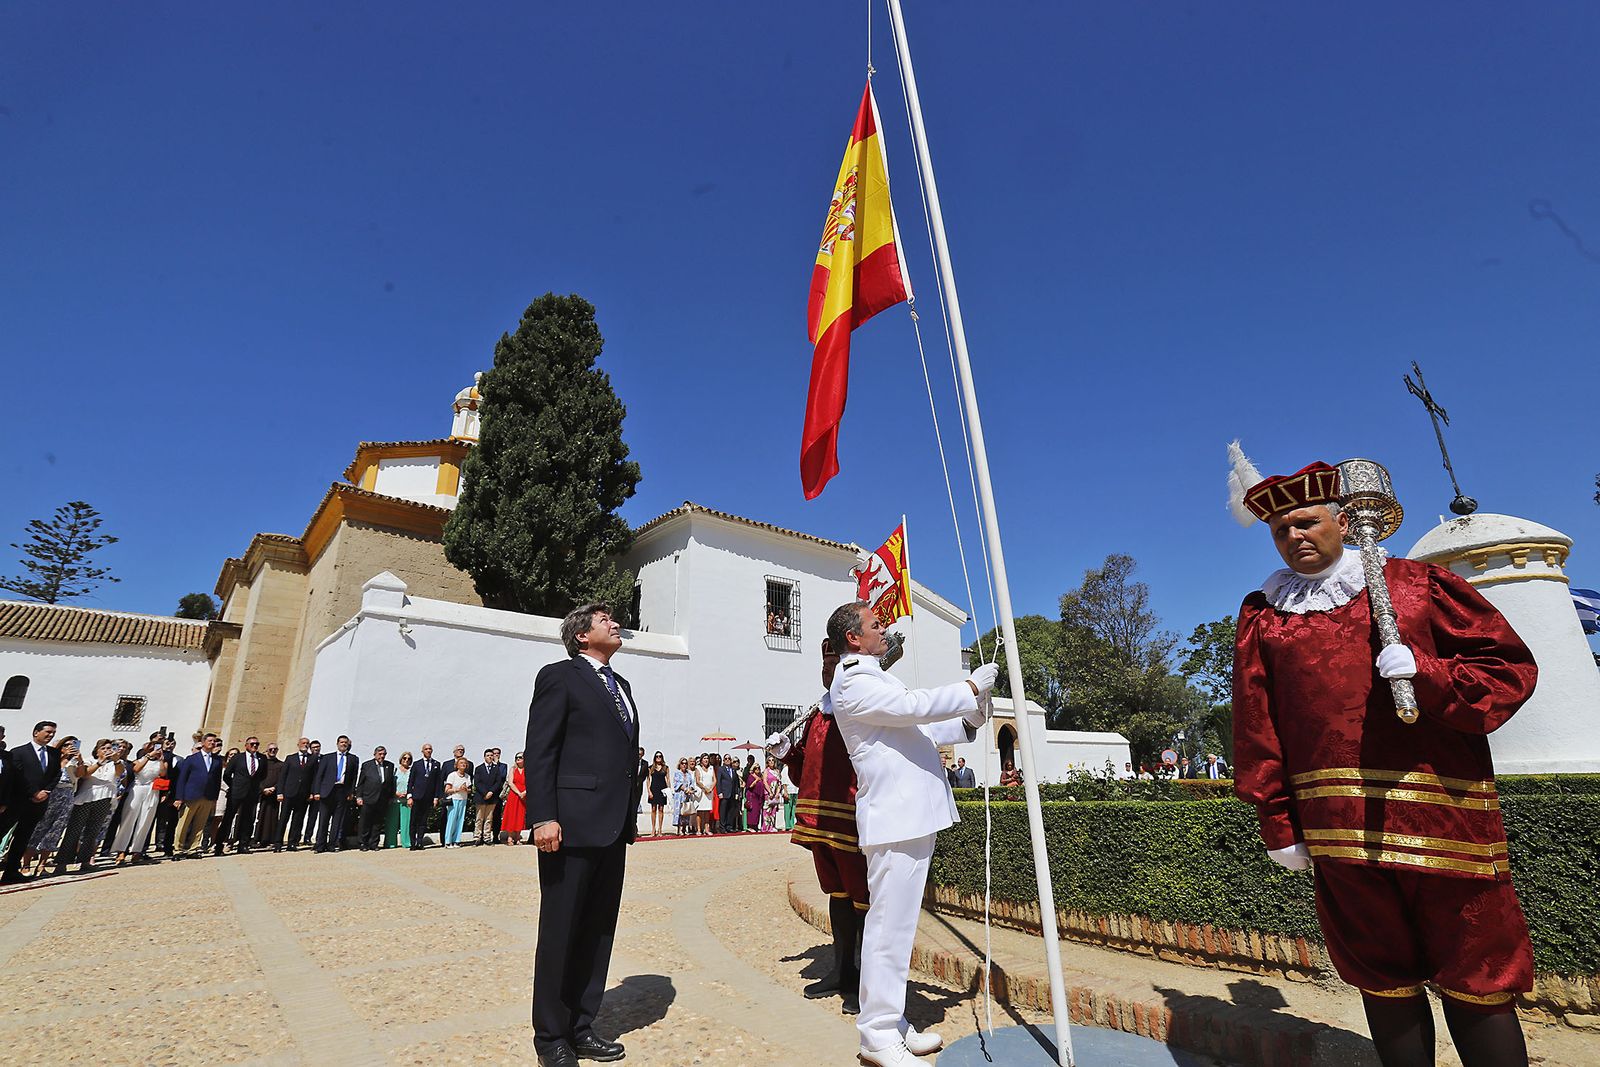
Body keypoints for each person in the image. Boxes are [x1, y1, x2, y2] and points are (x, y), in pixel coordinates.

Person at [1228, 450, 1540, 1067]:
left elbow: (1507, 670)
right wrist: (1279, 821)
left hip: (1443, 818)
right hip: (1338, 831)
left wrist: (1426, 673)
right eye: (1280, 529)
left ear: (1344, 520)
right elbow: (1255, 727)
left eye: (1307, 521)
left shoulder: (1416, 587)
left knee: (1477, 978)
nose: (1293, 536)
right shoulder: (1264, 617)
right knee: (1383, 982)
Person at [827, 600, 998, 1066]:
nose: (885, 631)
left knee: (897, 927)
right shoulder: (854, 679)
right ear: (853, 638)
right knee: (888, 926)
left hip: (910, 814)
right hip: (895, 815)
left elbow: (916, 727)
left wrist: (970, 718)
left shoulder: (875, 676)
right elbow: (910, 708)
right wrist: (966, 686)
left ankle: (893, 1021)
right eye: (875, 625)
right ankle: (877, 1035)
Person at [526, 603, 642, 1067]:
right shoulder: (559, 676)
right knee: (561, 931)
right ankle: (550, 1036)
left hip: (612, 828)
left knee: (597, 931)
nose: (615, 624)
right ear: (581, 636)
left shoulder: (623, 686)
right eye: (604, 620)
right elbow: (541, 750)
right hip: (569, 826)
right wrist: (543, 816)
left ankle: (581, 1026)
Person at [3, 724, 65, 883]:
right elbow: (17, 776)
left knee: (22, 839)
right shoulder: (19, 752)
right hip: (17, 802)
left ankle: (12, 872)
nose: (50, 735)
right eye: (48, 732)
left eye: (53, 733)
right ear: (36, 732)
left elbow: (56, 774)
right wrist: (33, 793)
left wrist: (46, 791)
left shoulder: (53, 753)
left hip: (38, 804)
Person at [54, 739, 121, 873]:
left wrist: (116, 760)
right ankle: (62, 862)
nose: (107, 751)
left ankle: (84, 860)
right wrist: (100, 762)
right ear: (97, 750)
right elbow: (85, 774)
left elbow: (119, 773)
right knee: (74, 830)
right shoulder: (89, 760)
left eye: (109, 748)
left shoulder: (115, 763)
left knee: (93, 831)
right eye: (104, 748)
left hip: (105, 797)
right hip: (86, 797)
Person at [22, 734, 77, 877]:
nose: (69, 748)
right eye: (66, 745)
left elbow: (81, 776)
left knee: (55, 831)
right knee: (38, 829)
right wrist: (62, 759)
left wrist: (79, 760)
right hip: (49, 796)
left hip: (66, 797)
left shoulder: (74, 763)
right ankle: (26, 864)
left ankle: (42, 865)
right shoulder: (51, 760)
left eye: (72, 745)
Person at [110, 737, 168, 863]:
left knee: (145, 820)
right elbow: (136, 769)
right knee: (129, 819)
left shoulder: (162, 762)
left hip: (152, 790)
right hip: (137, 789)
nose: (156, 750)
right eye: (154, 747)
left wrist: (161, 759)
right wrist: (148, 756)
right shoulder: (140, 760)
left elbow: (163, 774)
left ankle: (137, 850)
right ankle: (121, 850)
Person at [171, 734, 224, 860]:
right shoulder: (191, 759)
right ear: (203, 742)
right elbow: (182, 779)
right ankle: (178, 849)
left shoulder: (217, 760)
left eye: (214, 741)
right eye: (210, 740)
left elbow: (216, 781)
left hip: (207, 797)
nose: (213, 743)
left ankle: (193, 848)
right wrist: (179, 797)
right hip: (191, 796)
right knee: (184, 823)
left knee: (200, 824)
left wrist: (214, 798)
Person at [219, 737, 267, 855]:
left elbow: (263, 775)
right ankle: (219, 845)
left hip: (251, 794)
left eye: (257, 744)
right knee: (228, 819)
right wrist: (234, 786)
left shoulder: (262, 758)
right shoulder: (237, 758)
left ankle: (243, 845)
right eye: (252, 744)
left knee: (247, 820)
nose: (254, 746)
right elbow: (227, 774)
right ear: (246, 745)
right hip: (236, 793)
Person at [311, 735, 358, 853]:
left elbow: (353, 778)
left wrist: (351, 792)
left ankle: (332, 844)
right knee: (324, 820)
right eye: (341, 742)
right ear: (337, 743)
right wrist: (316, 791)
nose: (343, 744)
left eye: (345, 743)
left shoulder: (353, 759)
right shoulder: (327, 757)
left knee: (337, 821)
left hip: (342, 792)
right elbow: (319, 776)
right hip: (327, 792)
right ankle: (320, 845)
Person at [278, 737, 317, 852]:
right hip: (289, 793)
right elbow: (283, 777)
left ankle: (292, 842)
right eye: (303, 743)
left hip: (303, 794)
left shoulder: (312, 759)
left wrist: (312, 792)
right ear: (298, 744)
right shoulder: (290, 758)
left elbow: (314, 777)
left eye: (307, 743)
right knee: (283, 818)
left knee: (298, 820)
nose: (305, 745)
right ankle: (278, 843)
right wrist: (280, 792)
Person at [406, 743, 444, 850]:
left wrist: (436, 797)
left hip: (428, 797)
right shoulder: (417, 764)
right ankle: (413, 843)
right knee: (413, 821)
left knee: (423, 821)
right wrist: (409, 796)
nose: (428, 751)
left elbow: (438, 782)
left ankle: (419, 842)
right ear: (422, 751)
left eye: (430, 749)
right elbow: (411, 781)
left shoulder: (436, 764)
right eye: (426, 749)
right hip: (417, 796)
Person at [254, 742, 284, 848]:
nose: (273, 751)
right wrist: (263, 789)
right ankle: (257, 839)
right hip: (261, 794)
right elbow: (257, 778)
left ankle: (270, 839)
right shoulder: (261, 763)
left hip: (273, 795)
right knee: (259, 816)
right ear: (267, 750)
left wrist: (274, 788)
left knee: (272, 817)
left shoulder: (281, 764)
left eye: (275, 749)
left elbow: (282, 779)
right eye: (270, 749)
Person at [472, 749, 505, 846]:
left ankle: (487, 837)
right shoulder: (479, 768)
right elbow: (477, 782)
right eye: (488, 755)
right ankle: (477, 838)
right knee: (479, 818)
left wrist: (491, 792)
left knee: (489, 819)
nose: (490, 757)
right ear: (484, 757)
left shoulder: (496, 769)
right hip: (481, 797)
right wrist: (485, 793)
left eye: (491, 755)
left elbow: (498, 782)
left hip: (492, 797)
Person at [387, 751, 412, 849]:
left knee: (406, 823)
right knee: (392, 822)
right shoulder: (395, 770)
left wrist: (408, 793)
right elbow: (389, 784)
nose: (406, 760)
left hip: (406, 800)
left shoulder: (412, 771)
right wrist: (395, 793)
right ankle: (390, 843)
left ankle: (406, 842)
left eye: (409, 759)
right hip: (394, 799)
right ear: (401, 759)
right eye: (404, 758)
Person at [443, 757, 471, 847]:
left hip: (463, 799)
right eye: (461, 763)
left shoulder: (467, 776)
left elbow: (470, 789)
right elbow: (447, 790)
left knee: (460, 821)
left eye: (465, 763)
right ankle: (448, 841)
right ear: (457, 765)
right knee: (451, 820)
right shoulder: (452, 775)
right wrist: (458, 789)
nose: (463, 764)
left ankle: (456, 840)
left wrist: (466, 789)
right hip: (454, 799)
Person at [503, 752, 527, 845]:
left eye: (520, 757)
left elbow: (530, 782)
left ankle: (517, 837)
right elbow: (510, 783)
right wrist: (519, 793)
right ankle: (509, 837)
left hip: (524, 795)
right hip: (514, 795)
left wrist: (524, 793)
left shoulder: (527, 770)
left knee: (520, 815)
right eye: (516, 757)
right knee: (511, 814)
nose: (518, 759)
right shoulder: (513, 769)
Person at [692, 754, 716, 836]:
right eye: (704, 758)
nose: (706, 760)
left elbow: (714, 780)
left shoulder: (711, 768)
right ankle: (699, 829)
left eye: (707, 758)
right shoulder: (698, 768)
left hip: (709, 792)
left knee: (707, 811)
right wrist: (705, 788)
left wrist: (710, 789)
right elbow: (698, 781)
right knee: (700, 811)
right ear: (701, 760)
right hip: (702, 792)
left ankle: (706, 829)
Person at [646, 752, 669, 837]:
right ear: (654, 757)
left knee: (661, 809)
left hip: (663, 789)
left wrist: (668, 791)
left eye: (660, 756)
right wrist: (649, 791)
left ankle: (660, 829)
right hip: (654, 789)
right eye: (657, 756)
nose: (658, 758)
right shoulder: (650, 768)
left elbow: (668, 780)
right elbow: (648, 780)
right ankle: (653, 829)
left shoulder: (665, 768)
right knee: (653, 809)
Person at [743, 758, 766, 832]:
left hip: (759, 797)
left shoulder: (761, 776)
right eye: (756, 768)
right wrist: (756, 780)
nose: (758, 770)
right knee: (752, 812)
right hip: (752, 796)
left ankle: (755, 826)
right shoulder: (751, 776)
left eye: (759, 768)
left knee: (757, 812)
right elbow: (750, 786)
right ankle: (750, 826)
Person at [761, 757, 783, 833]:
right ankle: (765, 827)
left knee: (773, 810)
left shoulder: (777, 771)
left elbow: (779, 783)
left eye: (773, 760)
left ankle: (772, 826)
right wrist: (770, 792)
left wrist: (777, 793)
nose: (771, 762)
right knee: (767, 810)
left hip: (775, 793)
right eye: (769, 760)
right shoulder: (766, 771)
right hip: (768, 793)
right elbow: (765, 782)